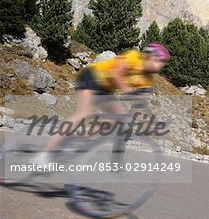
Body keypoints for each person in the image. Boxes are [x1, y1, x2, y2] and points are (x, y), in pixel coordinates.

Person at [34, 43, 170, 165]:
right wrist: (128, 90)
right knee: (84, 113)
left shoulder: (148, 79)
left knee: (121, 117)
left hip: (106, 89)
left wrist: (147, 123)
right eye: (159, 60)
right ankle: (45, 153)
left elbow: (140, 105)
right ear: (149, 56)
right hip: (92, 76)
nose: (161, 65)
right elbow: (115, 74)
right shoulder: (133, 56)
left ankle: (81, 139)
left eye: (164, 62)